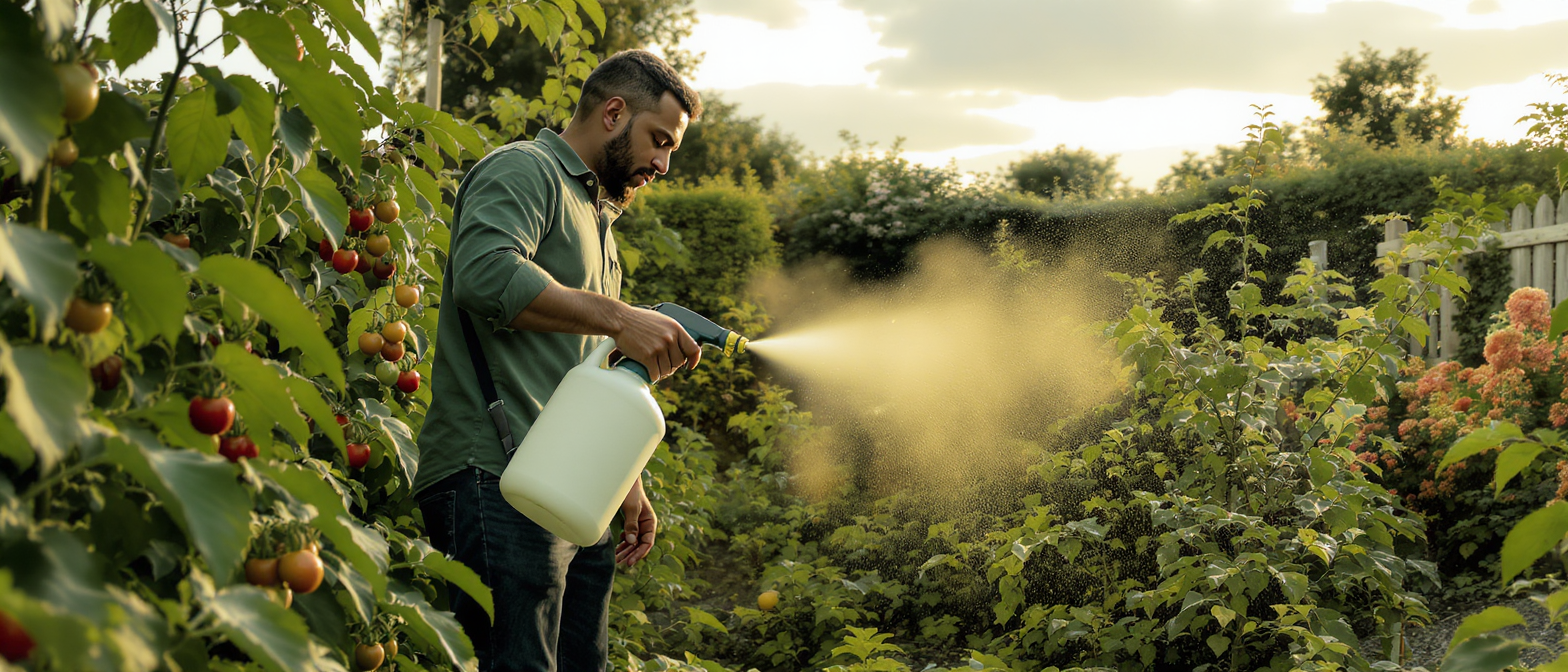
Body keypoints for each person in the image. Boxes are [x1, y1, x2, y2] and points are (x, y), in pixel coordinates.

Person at [413, 50, 704, 672]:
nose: (662, 162)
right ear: (614, 112)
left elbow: (587, 365)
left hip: (572, 486)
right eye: (659, 140)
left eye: (671, 149)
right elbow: (486, 275)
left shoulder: (601, 224)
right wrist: (622, 317)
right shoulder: (525, 171)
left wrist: (626, 481)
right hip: (492, 474)